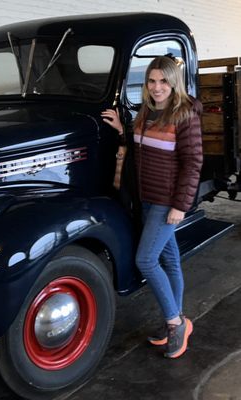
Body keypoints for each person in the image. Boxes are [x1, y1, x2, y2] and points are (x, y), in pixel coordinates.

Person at [101, 56, 203, 358]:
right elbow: (139, 150)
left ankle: (175, 323)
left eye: (163, 81)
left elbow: (193, 163)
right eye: (152, 81)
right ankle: (177, 318)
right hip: (146, 199)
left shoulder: (185, 115)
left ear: (174, 82)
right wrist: (123, 129)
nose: (157, 87)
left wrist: (180, 206)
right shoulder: (146, 112)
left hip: (166, 201)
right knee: (169, 260)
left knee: (145, 260)